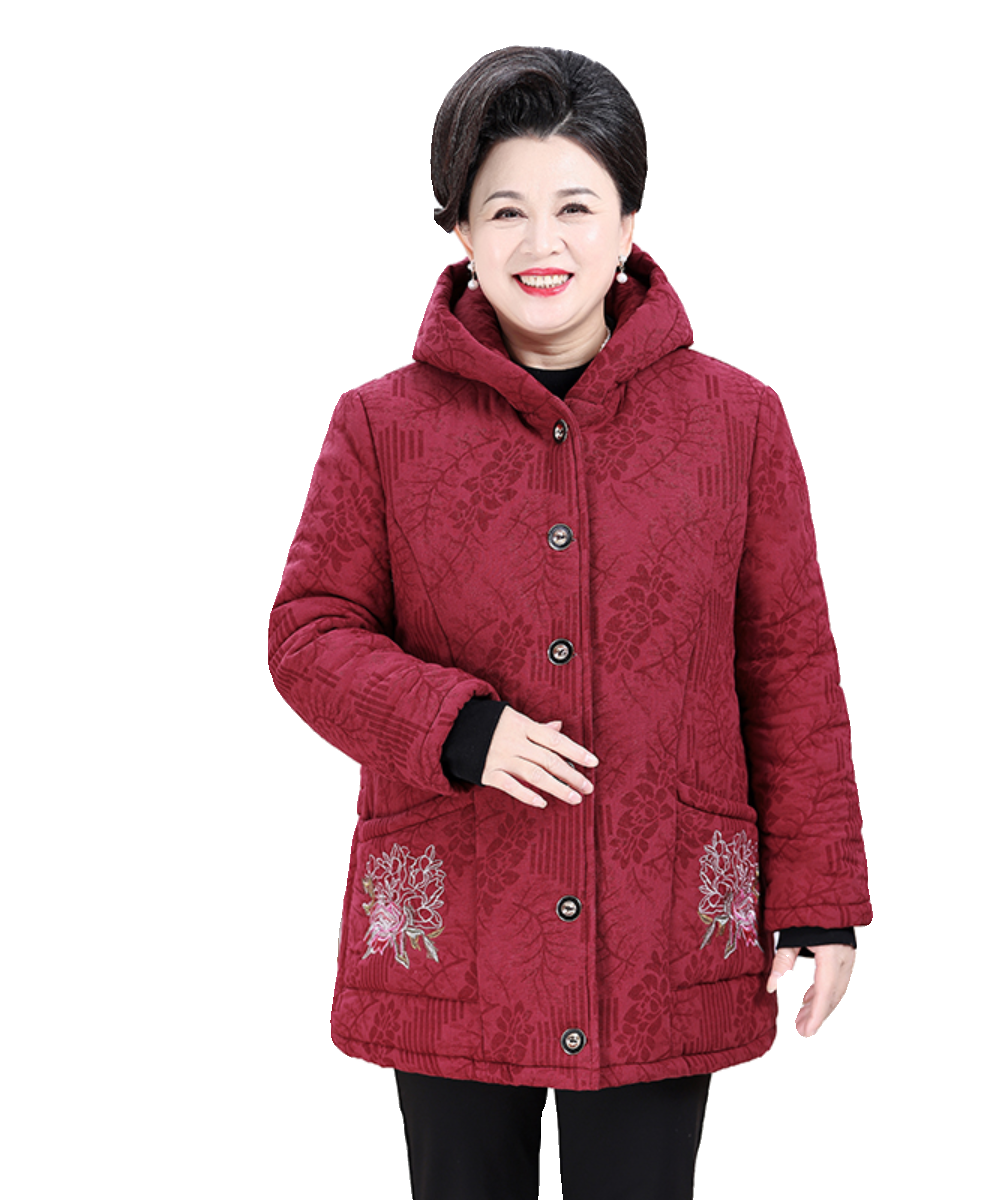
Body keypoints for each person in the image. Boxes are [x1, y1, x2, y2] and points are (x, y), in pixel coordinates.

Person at [269, 45, 872, 1200]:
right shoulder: (381, 426)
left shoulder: (735, 422)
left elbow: (789, 665)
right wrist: (460, 728)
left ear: (630, 220)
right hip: (459, 912)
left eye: (576, 206)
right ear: (458, 229)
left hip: (659, 920)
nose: (541, 243)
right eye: (505, 210)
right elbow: (307, 633)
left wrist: (821, 900)